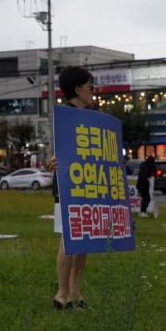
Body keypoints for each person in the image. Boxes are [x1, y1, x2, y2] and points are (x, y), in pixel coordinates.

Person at [50, 66, 94, 310]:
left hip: (88, 186)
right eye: (90, 87)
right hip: (68, 187)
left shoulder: (92, 119)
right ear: (78, 89)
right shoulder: (65, 117)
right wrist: (54, 160)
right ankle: (62, 293)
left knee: (83, 241)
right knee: (68, 240)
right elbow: (59, 154)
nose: (93, 92)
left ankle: (75, 293)